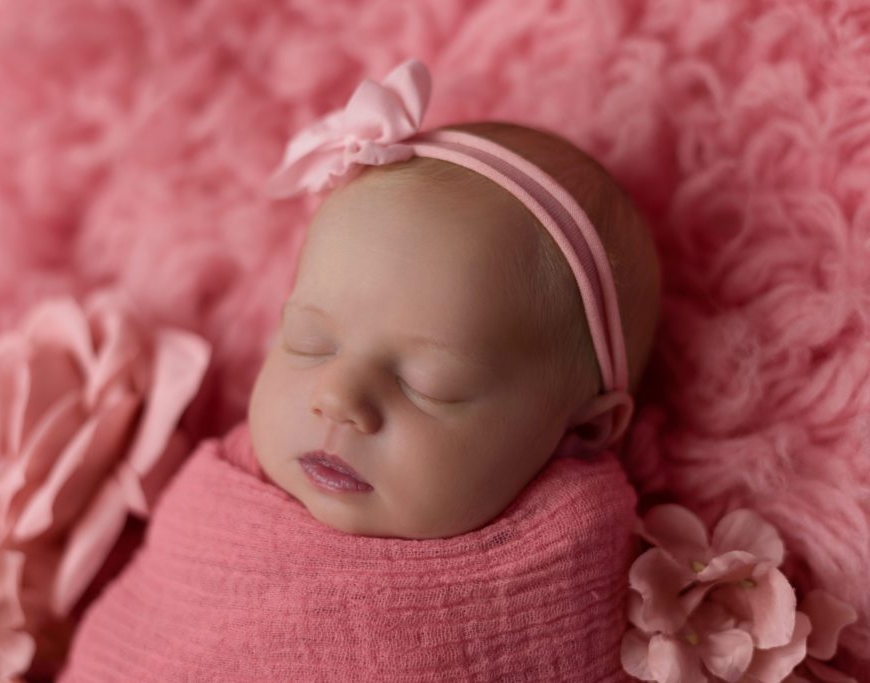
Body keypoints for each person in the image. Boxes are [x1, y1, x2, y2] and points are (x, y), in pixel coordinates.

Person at [60, 58, 661, 682]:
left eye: (427, 383)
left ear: (582, 432)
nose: (338, 395)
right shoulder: (219, 516)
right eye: (309, 342)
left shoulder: (557, 581)